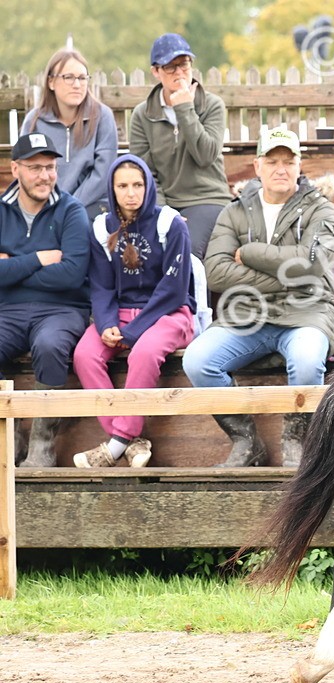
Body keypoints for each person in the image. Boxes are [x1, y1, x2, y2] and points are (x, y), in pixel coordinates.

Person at [182, 126, 334, 468]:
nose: (280, 169)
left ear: (299, 166)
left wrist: (251, 252)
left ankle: (297, 438)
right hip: (248, 313)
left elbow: (313, 266)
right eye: (272, 161)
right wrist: (286, 277)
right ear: (257, 167)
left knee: (308, 360)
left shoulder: (319, 208)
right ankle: (246, 441)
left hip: (307, 312)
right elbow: (218, 272)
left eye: (288, 161)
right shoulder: (236, 211)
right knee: (197, 360)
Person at [71, 155, 196, 468]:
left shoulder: (171, 224)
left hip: (169, 314)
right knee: (85, 355)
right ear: (112, 190)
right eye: (123, 186)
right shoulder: (102, 227)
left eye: (138, 184)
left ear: (148, 186)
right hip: (122, 313)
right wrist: (106, 325)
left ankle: (115, 444)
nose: (131, 192)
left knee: (143, 353)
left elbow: (174, 290)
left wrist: (134, 332)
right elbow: (100, 286)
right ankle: (131, 441)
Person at [0, 133, 91, 467]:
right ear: (15, 169)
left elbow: (72, 273)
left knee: (51, 345)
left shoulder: (71, 210)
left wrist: (11, 266)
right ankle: (10, 434)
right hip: (7, 309)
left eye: (50, 167)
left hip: (62, 309)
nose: (45, 176)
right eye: (35, 167)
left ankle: (42, 443)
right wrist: (39, 258)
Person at [128, 33, 229, 259]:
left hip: (208, 199)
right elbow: (145, 173)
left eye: (183, 64)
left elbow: (206, 155)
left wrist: (185, 109)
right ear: (156, 71)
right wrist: (163, 210)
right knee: (145, 250)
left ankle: (188, 297)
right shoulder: (142, 115)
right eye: (170, 67)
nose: (179, 73)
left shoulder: (211, 105)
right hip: (165, 203)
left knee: (185, 251)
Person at [20, 48, 118, 221]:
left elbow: (102, 175)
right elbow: (27, 171)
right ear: (51, 82)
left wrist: (69, 207)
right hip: (46, 208)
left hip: (92, 207)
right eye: (68, 77)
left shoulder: (102, 116)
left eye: (82, 78)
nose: (77, 84)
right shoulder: (34, 121)